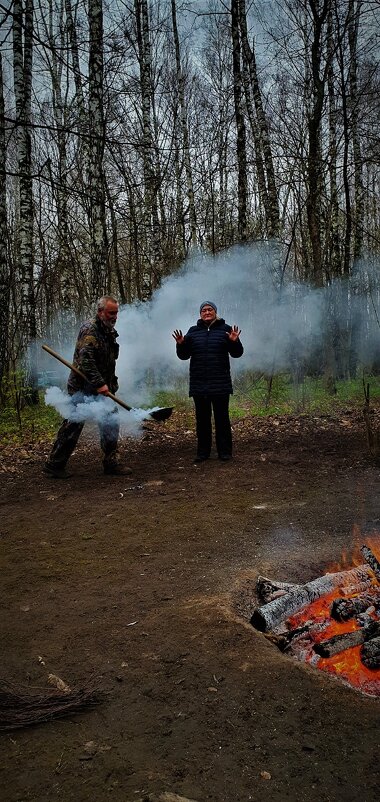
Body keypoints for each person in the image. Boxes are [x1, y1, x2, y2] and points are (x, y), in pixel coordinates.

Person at [43, 296, 131, 478]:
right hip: (82, 387)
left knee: (110, 422)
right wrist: (99, 384)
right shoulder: (90, 330)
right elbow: (86, 361)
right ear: (100, 312)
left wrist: (108, 385)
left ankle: (111, 463)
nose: (114, 317)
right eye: (111, 313)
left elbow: (108, 361)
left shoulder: (109, 332)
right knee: (73, 424)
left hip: (102, 388)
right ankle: (54, 465)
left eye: (116, 313)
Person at [172, 301, 243, 463]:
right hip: (199, 384)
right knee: (202, 420)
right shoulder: (193, 331)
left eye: (210, 309)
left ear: (215, 312)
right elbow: (184, 356)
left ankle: (225, 452)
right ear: (200, 314)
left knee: (222, 419)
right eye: (203, 310)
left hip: (220, 383)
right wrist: (180, 344)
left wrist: (234, 342)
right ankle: (203, 453)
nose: (207, 312)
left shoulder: (226, 330)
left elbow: (237, 354)